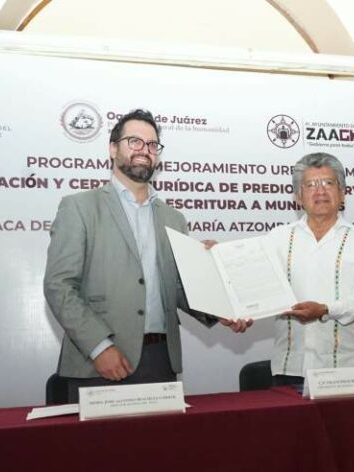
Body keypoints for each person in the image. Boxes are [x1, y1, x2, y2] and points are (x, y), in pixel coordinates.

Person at [44, 109, 249, 401]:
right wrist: (99, 347)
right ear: (113, 149)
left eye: (152, 145)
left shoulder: (173, 219)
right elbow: (59, 286)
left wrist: (221, 308)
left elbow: (177, 289)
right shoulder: (79, 207)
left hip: (160, 361)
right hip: (100, 362)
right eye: (135, 142)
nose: (145, 150)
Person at [267, 152, 354, 386]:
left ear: (342, 192)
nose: (320, 191)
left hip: (344, 368)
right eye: (310, 185)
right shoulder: (277, 238)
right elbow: (257, 284)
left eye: (328, 183)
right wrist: (216, 257)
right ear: (298, 196)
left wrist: (325, 310)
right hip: (289, 368)